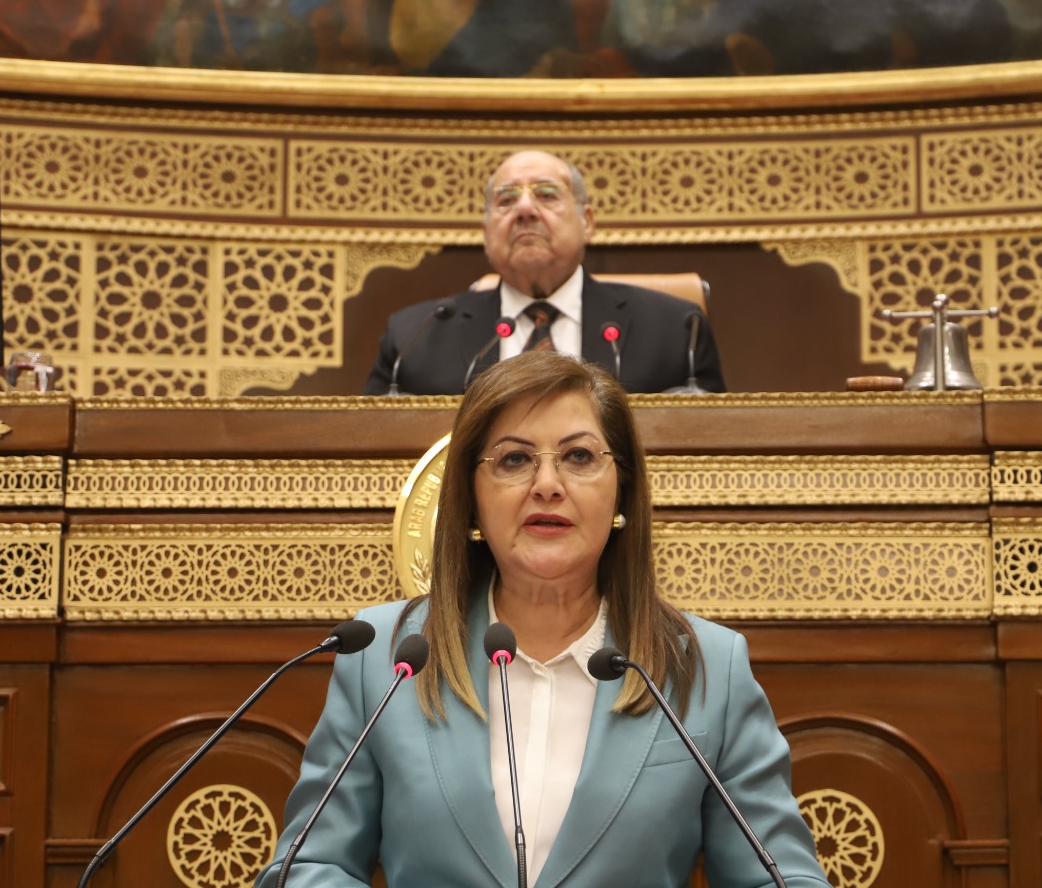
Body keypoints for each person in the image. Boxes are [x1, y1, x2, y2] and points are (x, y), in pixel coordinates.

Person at [260, 352, 828, 887]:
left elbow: (781, 877)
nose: (548, 485)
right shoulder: (385, 659)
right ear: (472, 498)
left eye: (579, 457)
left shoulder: (707, 668)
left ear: (622, 490)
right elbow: (309, 865)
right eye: (514, 460)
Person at [363, 150, 726, 395]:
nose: (525, 210)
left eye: (547, 195)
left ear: (587, 221)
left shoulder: (676, 332)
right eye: (506, 200)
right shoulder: (414, 340)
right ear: (486, 233)